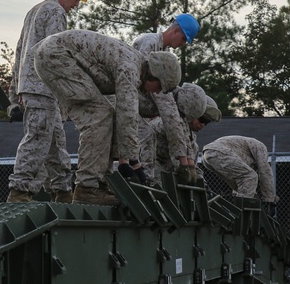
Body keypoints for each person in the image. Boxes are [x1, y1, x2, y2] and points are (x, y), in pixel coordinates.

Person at [34, 29, 181, 205]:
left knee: (106, 113)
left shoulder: (134, 65)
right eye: (159, 86)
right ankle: (87, 189)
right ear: (154, 74)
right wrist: (133, 163)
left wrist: (128, 160)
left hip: (58, 55)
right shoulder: (130, 69)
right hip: (57, 56)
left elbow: (120, 115)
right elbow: (128, 115)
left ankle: (100, 184)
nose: (157, 92)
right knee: (99, 116)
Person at [6, 0, 89, 204]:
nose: (75, 5)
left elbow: (20, 51)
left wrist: (15, 92)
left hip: (33, 86)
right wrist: (71, 91)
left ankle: (62, 191)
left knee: (55, 140)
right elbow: (57, 55)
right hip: (44, 87)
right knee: (39, 137)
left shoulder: (35, 10)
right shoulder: (55, 12)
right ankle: (20, 191)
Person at [134, 14, 200, 187]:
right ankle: (145, 184)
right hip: (124, 99)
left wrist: (184, 159)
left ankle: (147, 180)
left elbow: (167, 103)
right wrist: (182, 159)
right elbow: (147, 86)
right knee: (146, 135)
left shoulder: (164, 52)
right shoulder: (150, 43)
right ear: (176, 31)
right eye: (185, 39)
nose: (184, 44)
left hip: (136, 102)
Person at [141, 83, 218, 183]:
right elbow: (176, 136)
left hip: (165, 171)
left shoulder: (192, 141)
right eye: (201, 119)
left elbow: (191, 165)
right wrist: (185, 167)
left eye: (206, 123)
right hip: (147, 167)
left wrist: (200, 181)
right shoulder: (164, 122)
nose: (202, 125)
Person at [201, 135, 277, 215]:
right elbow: (265, 172)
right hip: (219, 151)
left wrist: (253, 196)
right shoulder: (261, 148)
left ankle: (237, 210)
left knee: (245, 180)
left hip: (207, 155)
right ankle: (240, 215)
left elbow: (242, 183)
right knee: (251, 176)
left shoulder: (245, 157)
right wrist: (269, 200)